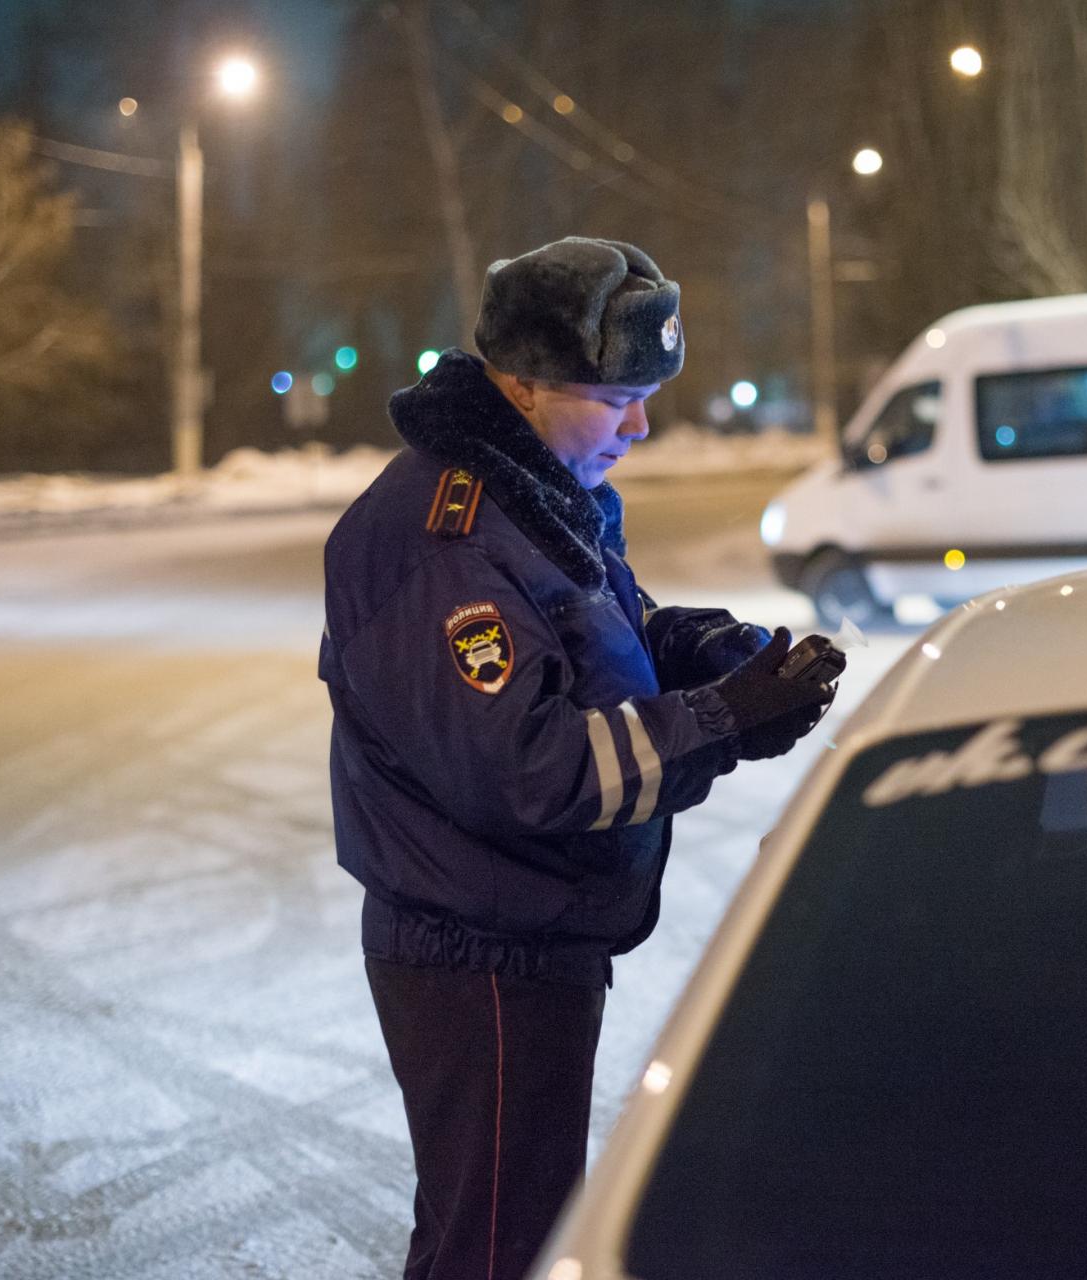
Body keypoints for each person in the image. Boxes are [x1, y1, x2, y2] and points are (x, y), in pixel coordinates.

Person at [319, 236, 841, 1280]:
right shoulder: (445, 536)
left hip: (527, 940)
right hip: (479, 957)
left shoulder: (535, 489)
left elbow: (606, 630)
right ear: (522, 382)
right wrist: (719, 720)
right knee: (499, 1248)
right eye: (618, 398)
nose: (640, 424)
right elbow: (534, 767)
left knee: (508, 1228)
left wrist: (710, 656)